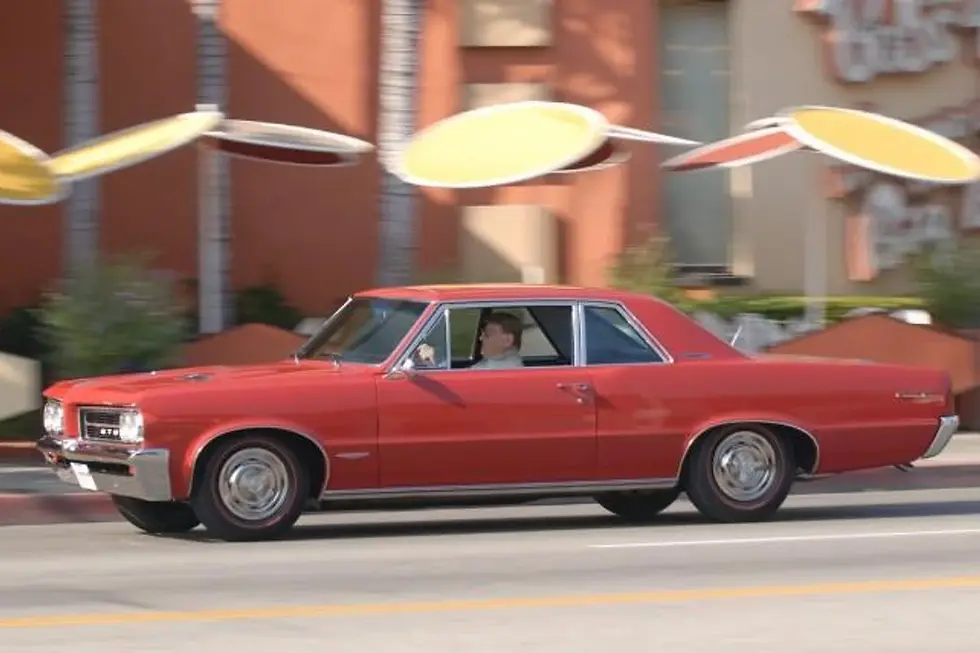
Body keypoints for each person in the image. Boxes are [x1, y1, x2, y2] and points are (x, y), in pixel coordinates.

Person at [414, 311, 525, 370]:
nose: (481, 339)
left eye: (487, 335)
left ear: (507, 340)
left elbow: (457, 391)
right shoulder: (497, 363)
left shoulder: (502, 369)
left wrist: (434, 361)